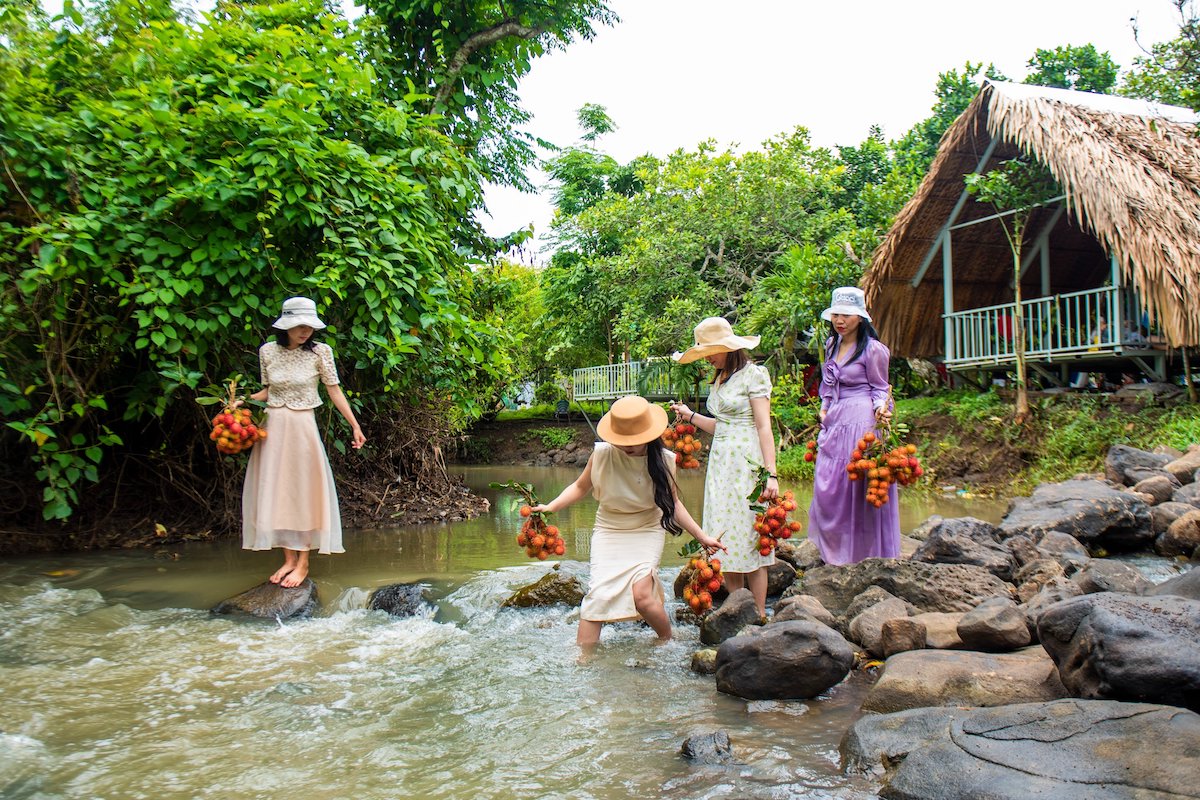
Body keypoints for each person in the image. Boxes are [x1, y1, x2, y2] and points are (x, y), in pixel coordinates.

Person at [531, 395, 723, 654]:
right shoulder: (602, 455)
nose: (628, 446)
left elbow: (674, 504)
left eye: (634, 441)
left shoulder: (665, 460)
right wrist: (550, 507)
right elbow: (580, 486)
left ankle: (668, 641)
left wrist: (702, 537)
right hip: (609, 530)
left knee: (642, 596)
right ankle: (583, 662)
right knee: (597, 596)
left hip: (646, 529)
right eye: (622, 441)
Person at [242, 297, 366, 588]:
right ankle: (288, 559)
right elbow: (267, 392)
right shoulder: (268, 351)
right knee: (277, 491)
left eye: (309, 326)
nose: (305, 332)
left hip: (302, 428)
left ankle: (303, 562)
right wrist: (237, 403)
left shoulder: (321, 352)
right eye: (299, 326)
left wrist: (354, 424)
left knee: (302, 492)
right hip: (272, 427)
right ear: (285, 326)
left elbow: (334, 391)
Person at [669, 317, 778, 619]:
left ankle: (758, 613)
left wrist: (770, 473)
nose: (709, 357)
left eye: (713, 351)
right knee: (725, 538)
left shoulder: (752, 375)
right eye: (705, 352)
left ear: (730, 348)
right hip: (721, 465)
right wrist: (689, 415)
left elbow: (763, 425)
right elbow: (721, 425)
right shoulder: (720, 378)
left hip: (746, 462)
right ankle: (738, 610)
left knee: (749, 537)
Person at [807, 287, 900, 565]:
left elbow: (880, 388)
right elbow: (827, 385)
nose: (840, 320)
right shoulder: (831, 344)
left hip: (862, 421)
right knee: (829, 485)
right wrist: (824, 410)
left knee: (856, 485)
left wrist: (881, 410)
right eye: (836, 314)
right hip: (835, 419)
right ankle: (834, 551)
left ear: (860, 318)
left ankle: (861, 554)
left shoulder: (873, 350)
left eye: (846, 315)